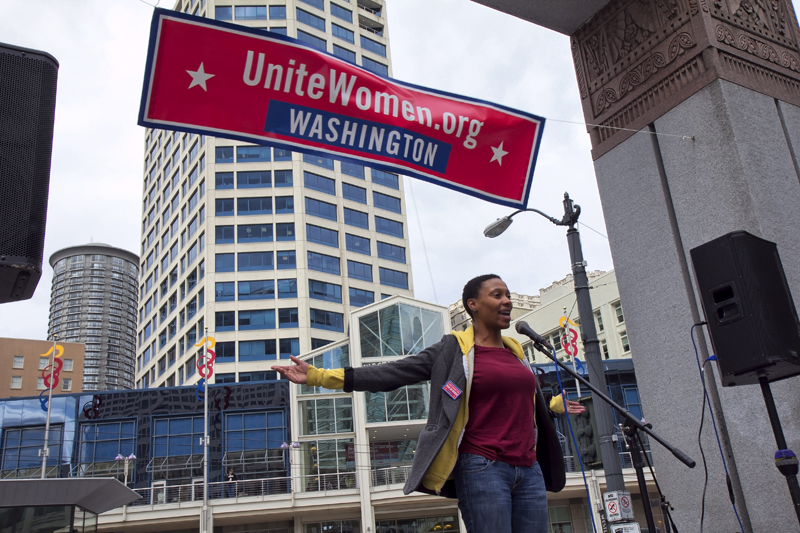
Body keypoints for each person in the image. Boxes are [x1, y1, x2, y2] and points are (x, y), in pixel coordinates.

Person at [273, 274, 584, 533]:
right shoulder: (453, 350)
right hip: (484, 467)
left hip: (529, 469)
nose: (507, 301)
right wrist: (318, 376)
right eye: (497, 294)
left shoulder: (516, 351)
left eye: (508, 295)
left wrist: (552, 404)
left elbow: (519, 400)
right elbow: (393, 373)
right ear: (473, 305)